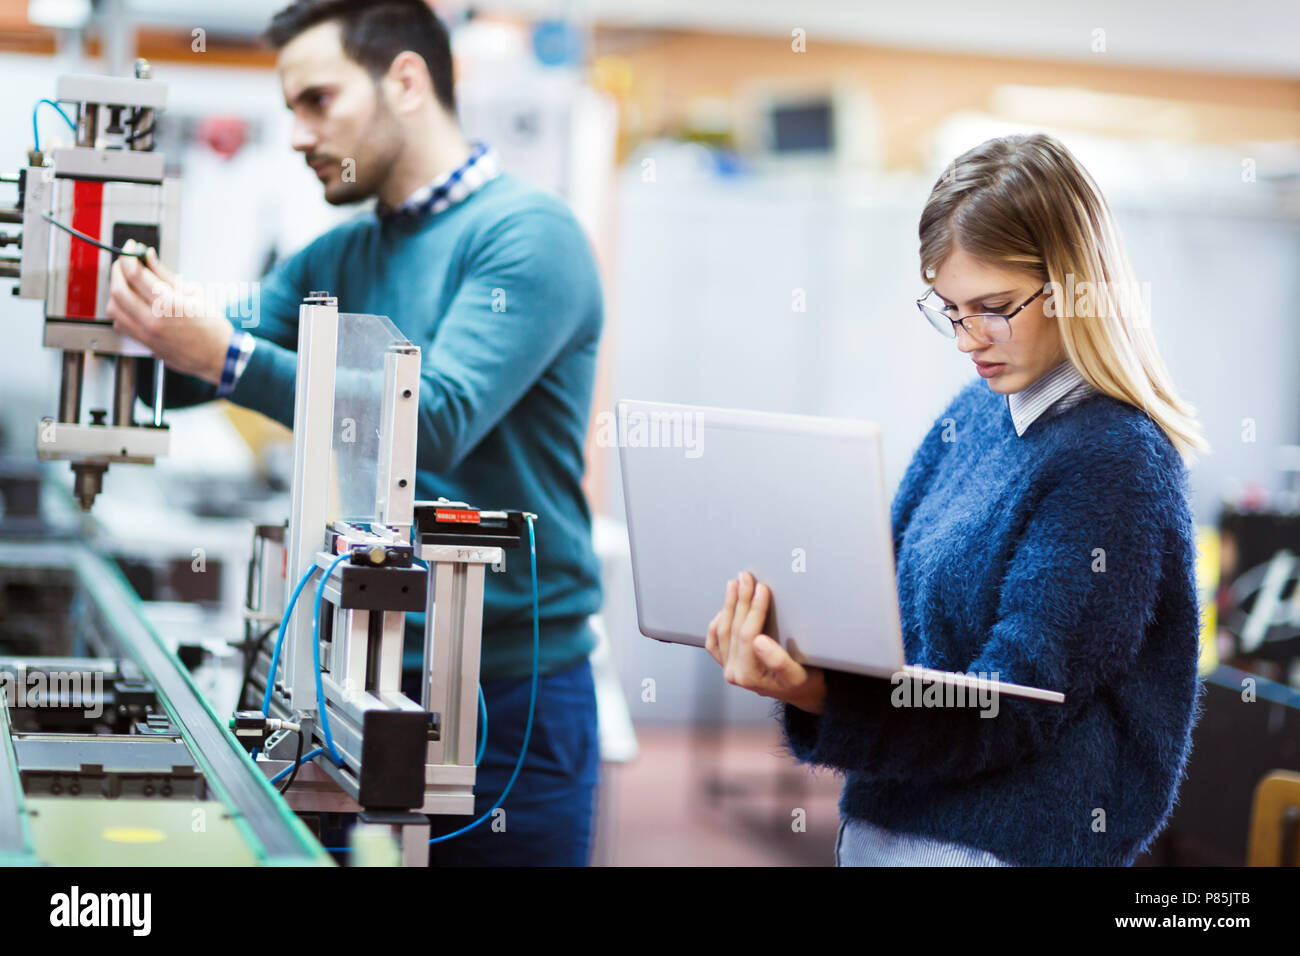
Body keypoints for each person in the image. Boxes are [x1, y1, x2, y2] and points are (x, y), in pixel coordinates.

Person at [104, 0, 603, 866]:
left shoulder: (528, 237)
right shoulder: (340, 253)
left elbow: (433, 419)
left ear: (405, 81)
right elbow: (208, 353)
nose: (297, 132)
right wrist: (113, 317)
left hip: (508, 691)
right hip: (354, 676)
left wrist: (224, 358)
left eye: (317, 101)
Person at [705, 132, 1208, 867]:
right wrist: (798, 638)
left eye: (995, 307)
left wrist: (820, 697)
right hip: (889, 820)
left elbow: (1009, 708)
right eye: (950, 309)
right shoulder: (972, 416)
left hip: (999, 848)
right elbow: (884, 622)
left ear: (1074, 284)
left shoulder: (1114, 461)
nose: (970, 337)